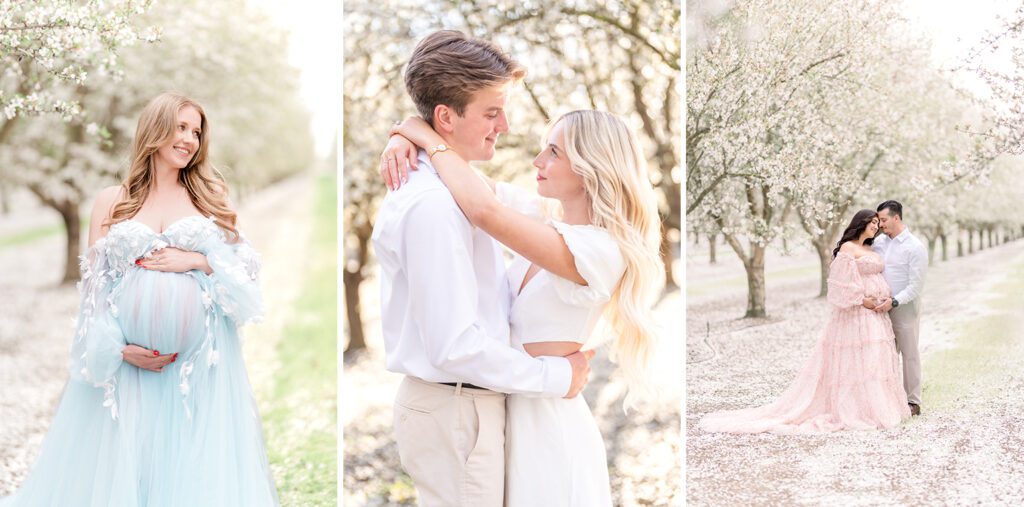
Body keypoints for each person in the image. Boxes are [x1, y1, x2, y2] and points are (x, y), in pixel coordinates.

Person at [379, 37, 662, 507]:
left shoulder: (598, 250)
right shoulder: (543, 220)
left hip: (544, 422)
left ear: (592, 169)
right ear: (449, 114)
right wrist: (412, 132)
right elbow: (483, 195)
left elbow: (485, 209)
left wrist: (423, 134)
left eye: (553, 152)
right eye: (493, 113)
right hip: (510, 405)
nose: (535, 158)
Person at [0, 92, 278, 506]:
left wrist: (199, 259)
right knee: (127, 469)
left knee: (188, 472)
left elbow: (248, 270)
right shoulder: (111, 200)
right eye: (181, 128)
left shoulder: (211, 195)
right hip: (127, 367)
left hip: (198, 366)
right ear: (154, 130)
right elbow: (94, 290)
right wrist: (118, 349)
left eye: (197, 132)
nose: (189, 140)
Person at [699, 210, 910, 434]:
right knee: (856, 362)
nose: (876, 227)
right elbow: (840, 285)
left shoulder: (871, 248)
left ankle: (875, 407)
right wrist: (864, 300)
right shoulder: (848, 248)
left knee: (873, 362)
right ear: (862, 223)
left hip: (877, 317)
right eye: (873, 222)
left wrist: (883, 299)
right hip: (857, 315)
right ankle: (855, 409)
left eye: (878, 223)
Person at [872, 200, 928, 416]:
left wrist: (894, 301)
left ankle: (913, 401)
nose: (881, 225)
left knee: (909, 354)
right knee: (885, 353)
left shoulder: (915, 247)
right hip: (880, 309)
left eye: (884, 220)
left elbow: (916, 286)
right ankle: (888, 397)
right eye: (879, 221)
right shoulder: (879, 243)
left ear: (897, 218)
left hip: (904, 308)